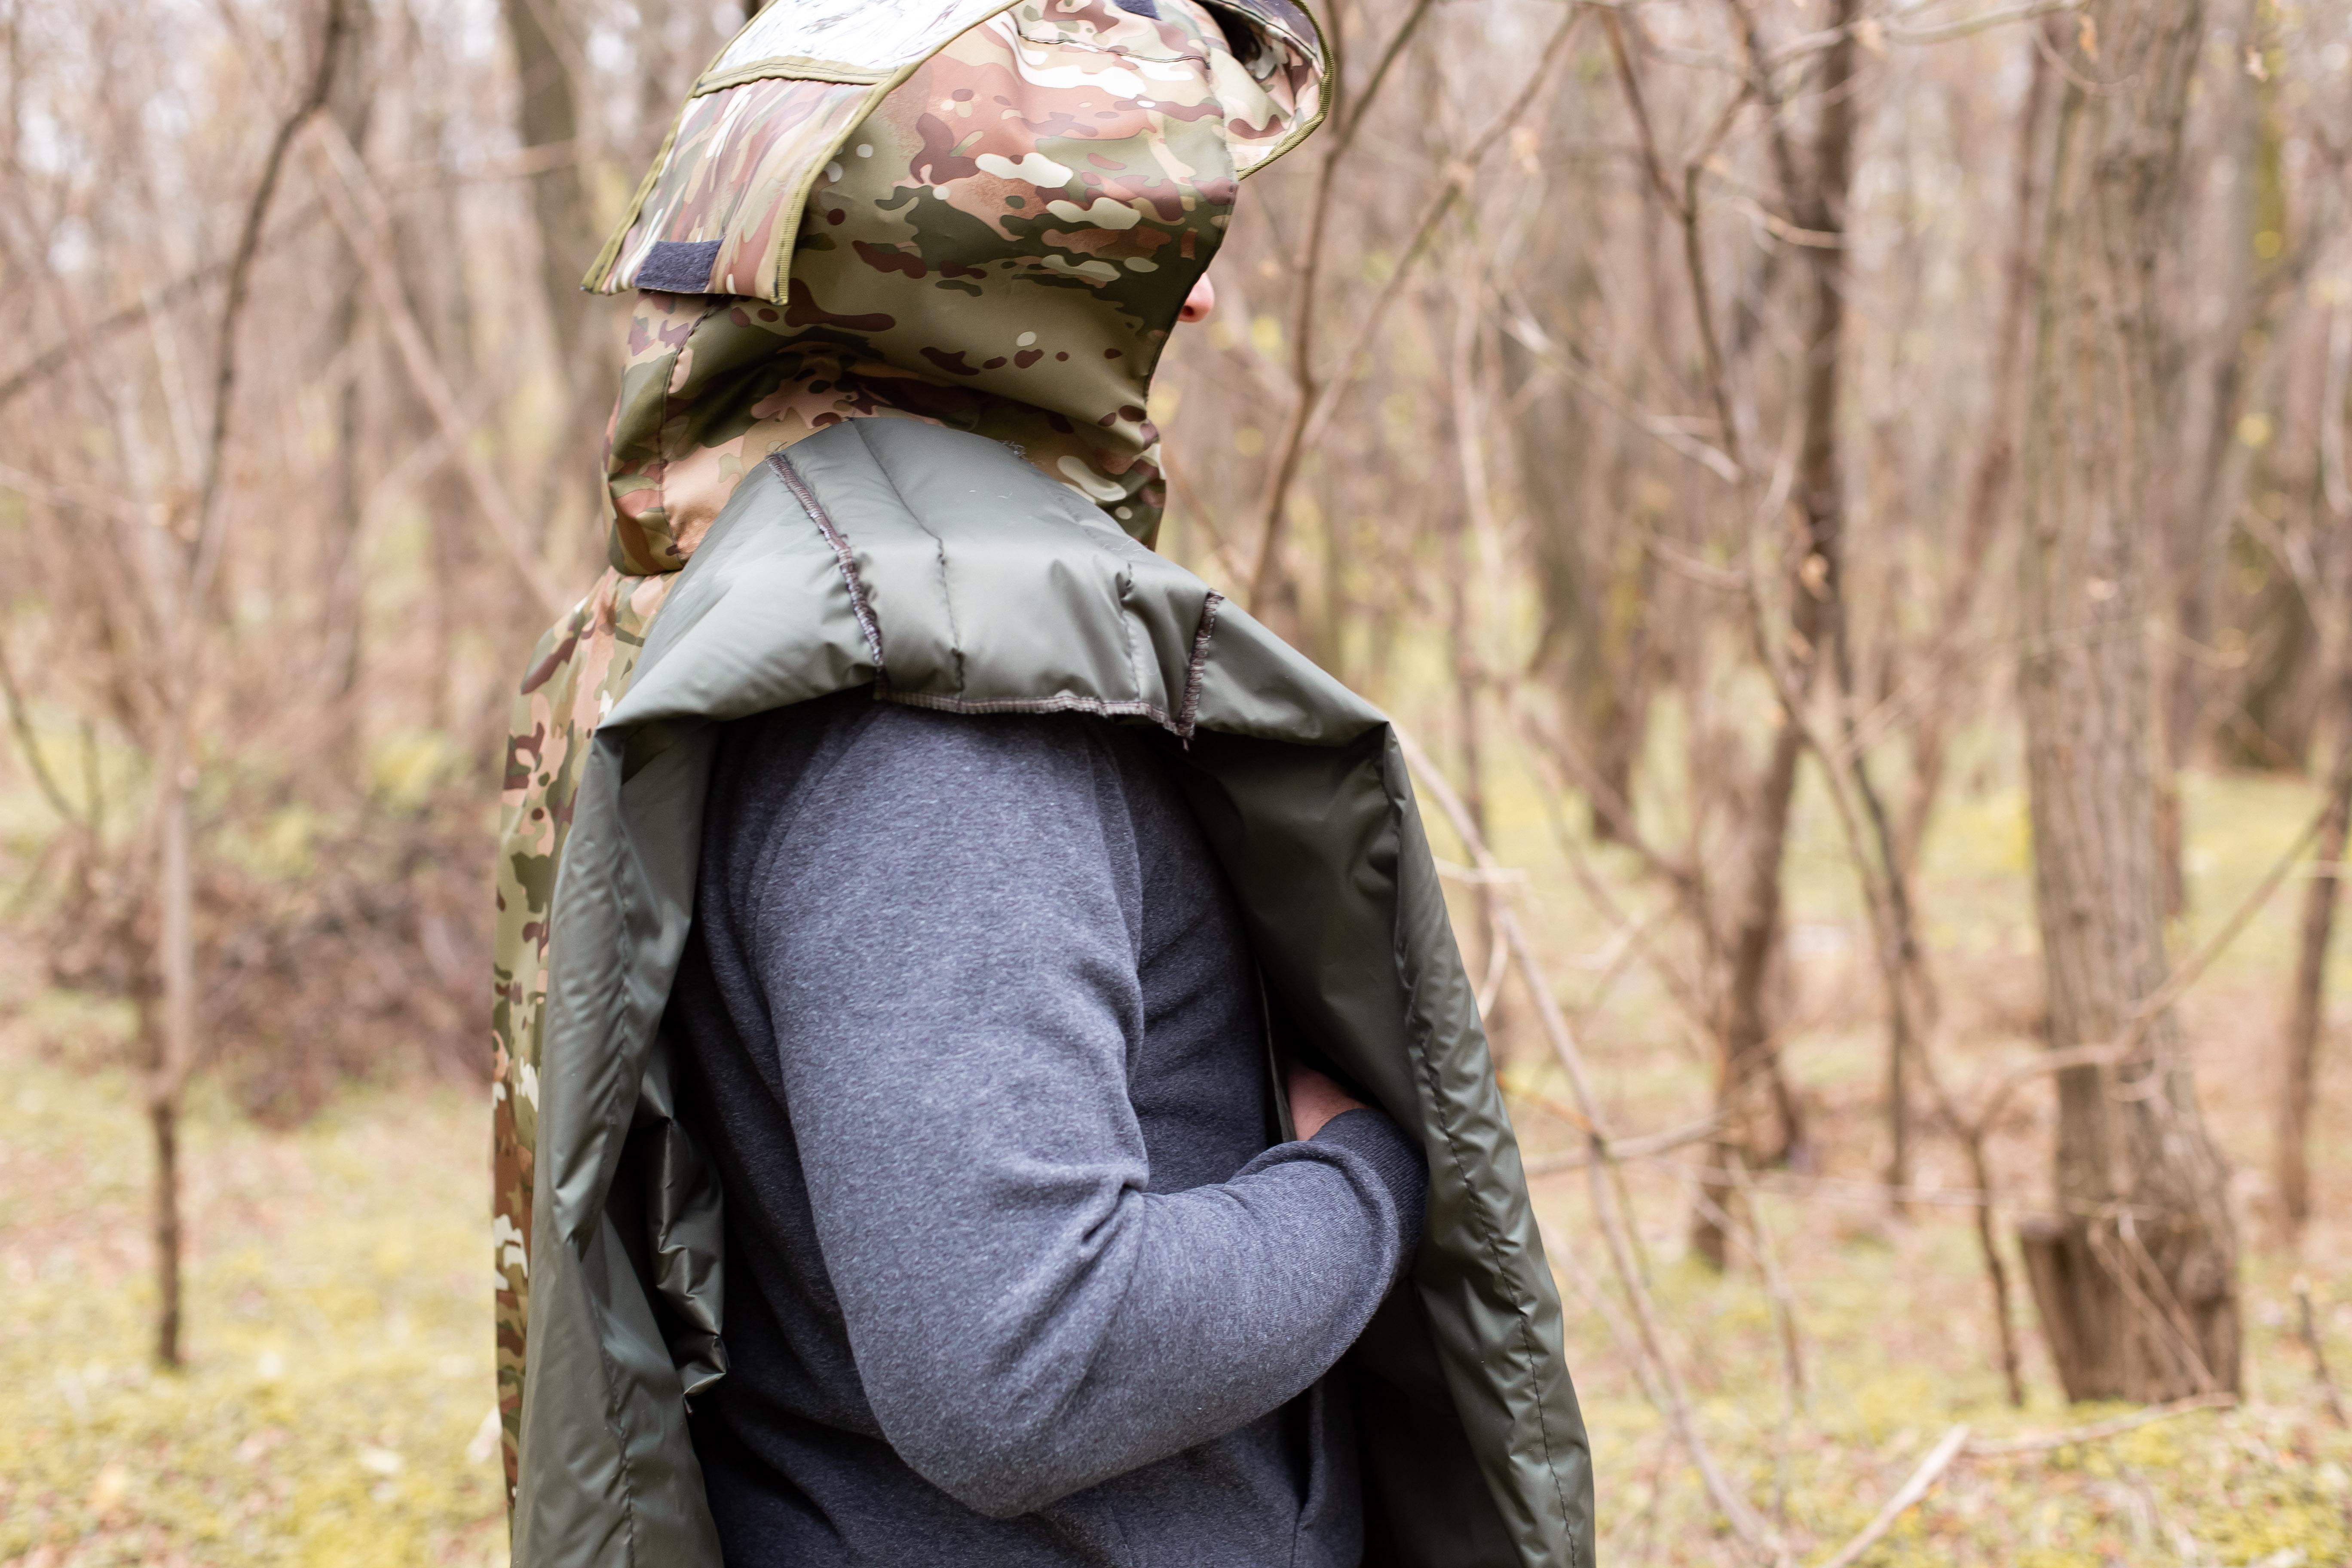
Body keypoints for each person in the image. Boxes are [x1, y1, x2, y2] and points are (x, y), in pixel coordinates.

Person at [489, 3, 1593, 1564]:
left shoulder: (809, 600)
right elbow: (1026, 1368)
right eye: (1149, 233)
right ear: (965, 280)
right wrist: (1373, 1179)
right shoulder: (941, 726)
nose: (1203, 297)